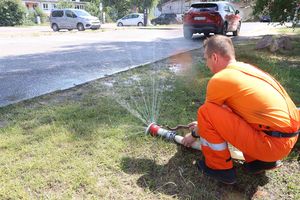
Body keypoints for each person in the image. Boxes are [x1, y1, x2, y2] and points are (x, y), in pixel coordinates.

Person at [182, 35, 299, 185]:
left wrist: (193, 135)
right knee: (214, 113)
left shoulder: (220, 79)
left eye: (206, 59)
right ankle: (259, 162)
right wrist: (202, 125)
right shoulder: (247, 69)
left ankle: (219, 169)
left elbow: (209, 115)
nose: (206, 64)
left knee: (205, 111)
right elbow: (233, 110)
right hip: (286, 140)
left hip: (272, 146)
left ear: (215, 57)